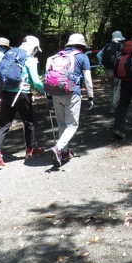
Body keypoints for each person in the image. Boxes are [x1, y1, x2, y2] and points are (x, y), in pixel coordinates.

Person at [0, 35, 46, 171]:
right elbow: (36, 81)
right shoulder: (29, 59)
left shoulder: (10, 54)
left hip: (6, 92)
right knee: (28, 122)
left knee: (3, 125)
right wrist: (46, 92)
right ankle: (30, 150)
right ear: (34, 48)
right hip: (22, 94)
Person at [48, 33, 94, 167]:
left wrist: (48, 96)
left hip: (55, 93)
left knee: (62, 124)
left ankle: (64, 152)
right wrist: (91, 96)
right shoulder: (82, 57)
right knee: (72, 125)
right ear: (81, 45)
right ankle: (58, 148)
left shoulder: (57, 56)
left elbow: (49, 77)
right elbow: (88, 79)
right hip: (73, 92)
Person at [96, 30, 125, 114]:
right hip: (117, 70)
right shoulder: (121, 46)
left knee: (111, 87)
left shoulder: (107, 46)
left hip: (108, 70)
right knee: (117, 88)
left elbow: (98, 55)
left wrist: (103, 62)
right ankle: (114, 106)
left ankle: (111, 102)